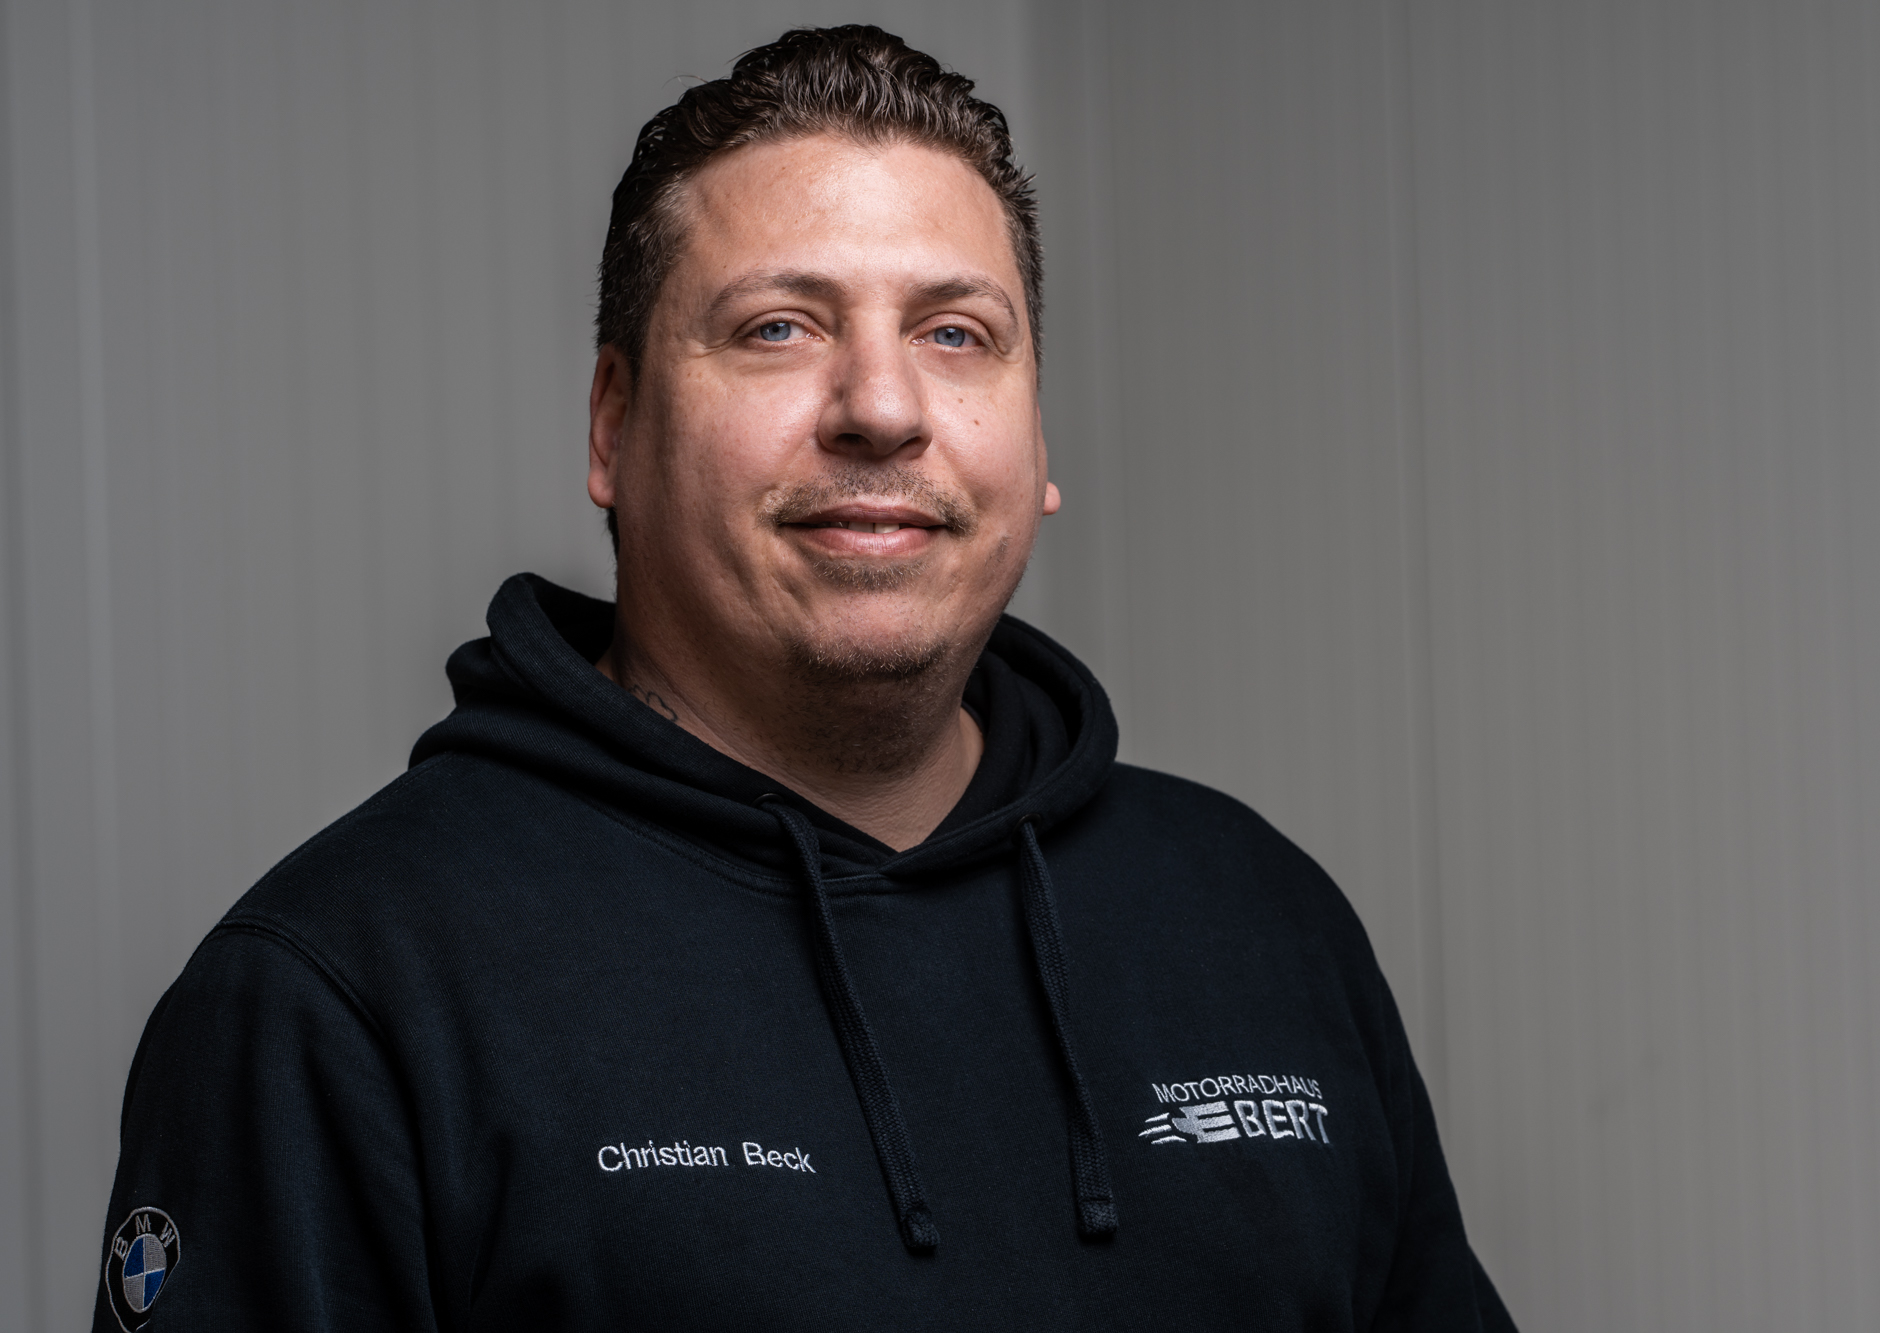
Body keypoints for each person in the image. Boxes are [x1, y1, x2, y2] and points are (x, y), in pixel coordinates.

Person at [94, 26, 1513, 1332]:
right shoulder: (340, 993)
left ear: (1036, 435)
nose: (882, 408)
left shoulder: (1260, 919)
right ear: (613, 428)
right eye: (780, 326)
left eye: (955, 333)